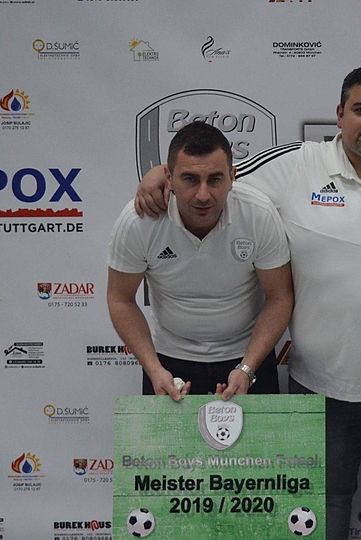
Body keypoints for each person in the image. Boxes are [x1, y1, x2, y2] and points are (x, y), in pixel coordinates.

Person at [134, 64, 361, 539]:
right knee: (320, 510)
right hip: (322, 381)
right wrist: (159, 173)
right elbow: (215, 178)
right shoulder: (297, 165)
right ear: (339, 114)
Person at [107, 121, 292, 402]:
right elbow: (120, 299)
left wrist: (247, 368)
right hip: (168, 361)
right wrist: (154, 369)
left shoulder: (258, 214)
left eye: (215, 180)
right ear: (169, 177)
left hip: (247, 358)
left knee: (261, 436)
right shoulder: (139, 221)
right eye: (190, 179)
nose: (203, 195)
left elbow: (280, 297)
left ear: (232, 176)